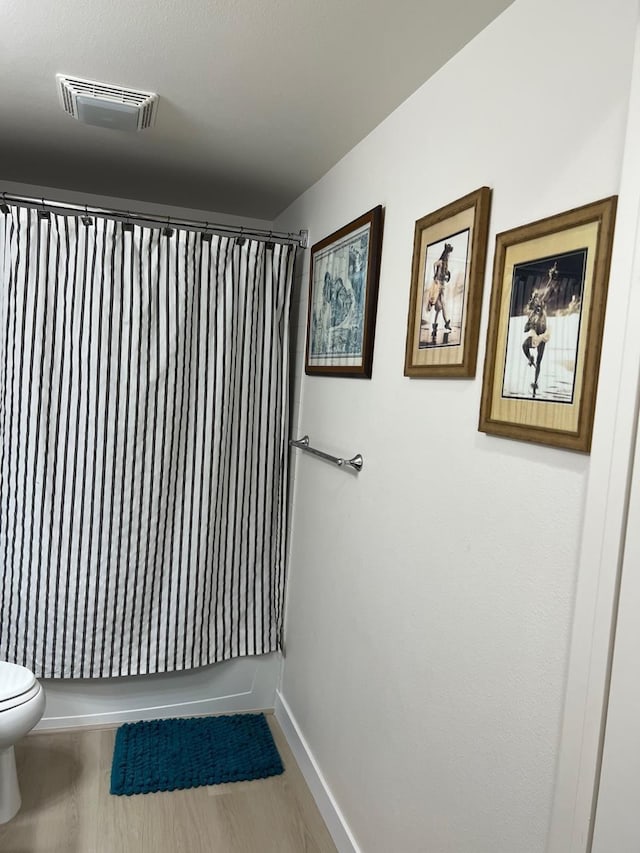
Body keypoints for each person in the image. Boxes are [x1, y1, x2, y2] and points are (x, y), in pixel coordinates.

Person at [522, 261, 557, 396]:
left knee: (540, 359)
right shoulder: (532, 314)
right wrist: (529, 325)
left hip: (542, 335)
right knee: (524, 346)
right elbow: (525, 329)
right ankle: (530, 358)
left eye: (535, 300)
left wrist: (550, 278)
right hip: (536, 334)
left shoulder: (541, 305)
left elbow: (546, 291)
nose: (535, 301)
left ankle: (535, 381)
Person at [424, 243, 454, 337]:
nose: (449, 256)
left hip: (442, 285)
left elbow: (444, 274)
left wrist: (445, 276)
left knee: (439, 307)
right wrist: (435, 277)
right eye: (448, 254)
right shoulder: (441, 262)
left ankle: (436, 325)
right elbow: (434, 264)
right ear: (446, 254)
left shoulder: (445, 264)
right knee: (441, 305)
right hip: (438, 285)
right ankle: (446, 323)